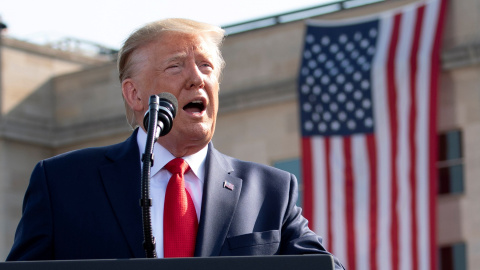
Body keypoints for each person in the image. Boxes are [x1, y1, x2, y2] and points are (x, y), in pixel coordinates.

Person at [6, 18, 344, 269]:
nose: (197, 78)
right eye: (175, 66)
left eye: (207, 66)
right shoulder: (63, 183)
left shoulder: (270, 190)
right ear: (134, 94)